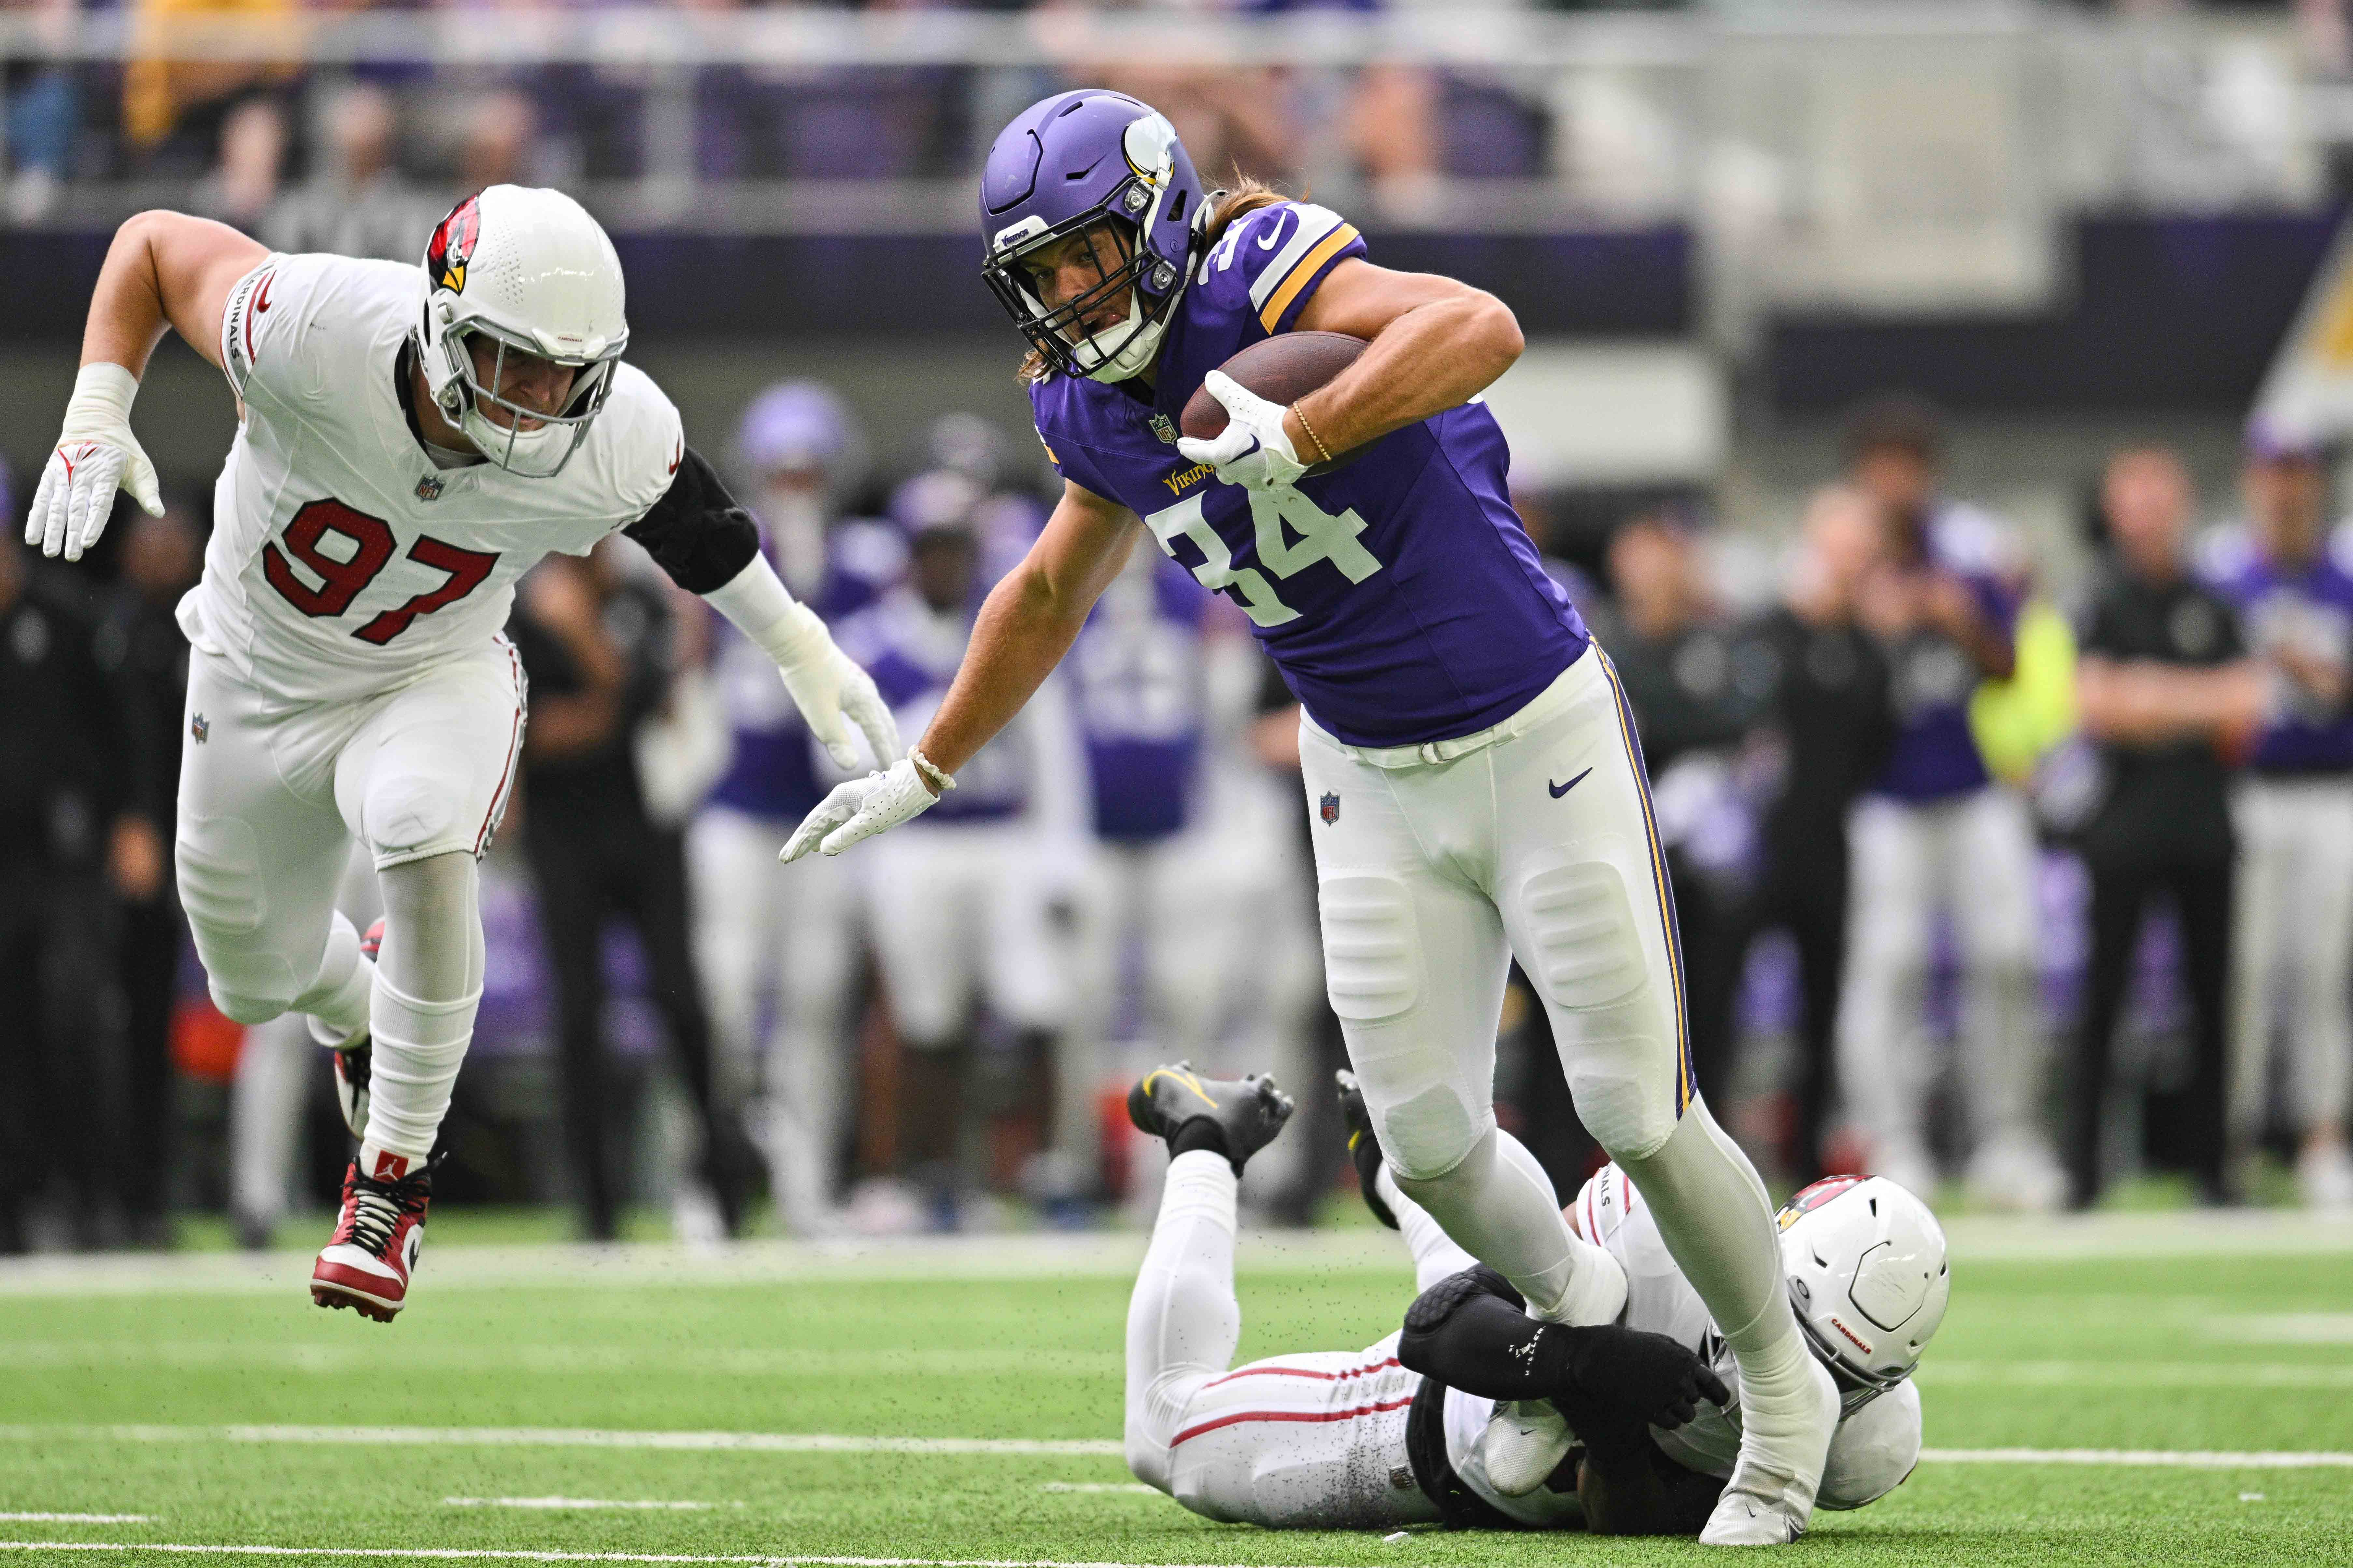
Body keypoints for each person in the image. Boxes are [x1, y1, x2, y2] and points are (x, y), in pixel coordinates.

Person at [786, 89, 1841, 1542]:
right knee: (1425, 1143)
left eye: (1091, 256)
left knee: (1629, 1109)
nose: (1072, 295)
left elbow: (1480, 326)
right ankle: (1586, 1326)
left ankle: (1788, 1399)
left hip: (1536, 725)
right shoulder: (1083, 402)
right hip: (1361, 768)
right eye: (1042, 275)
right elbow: (1043, 592)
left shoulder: (1261, 260)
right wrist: (928, 764)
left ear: (1155, 216)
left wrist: (1312, 421)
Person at [23, 185, 899, 1318]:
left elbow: (703, 533)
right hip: (250, 675)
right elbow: (149, 243)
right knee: (250, 979)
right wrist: (100, 406)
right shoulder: (322, 323)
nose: (538, 399)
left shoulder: (612, 427)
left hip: (430, 674)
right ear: (442, 320)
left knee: (420, 830)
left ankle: (389, 1183)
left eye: (563, 374)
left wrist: (803, 650)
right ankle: (359, 1009)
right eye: (510, 359)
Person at [1118, 1064, 1943, 1536]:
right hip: (1434, 1414)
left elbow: (1627, 1519)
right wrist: (1585, 1357)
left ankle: (1385, 1153)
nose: (1793, 1372)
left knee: (1548, 1276)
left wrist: (1605, 1414)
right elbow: (1434, 1331)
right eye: (1794, 1332)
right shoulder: (1668, 1246)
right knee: (1164, 1432)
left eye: (1835, 1374)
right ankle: (1207, 1139)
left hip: (1534, 1408)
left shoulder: (1860, 1446)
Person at [830, 472, 1084, 1229]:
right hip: (917, 847)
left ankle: (1049, 1169)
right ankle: (933, 1175)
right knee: (926, 1016)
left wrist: (1059, 854)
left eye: (955, 550)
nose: (943, 567)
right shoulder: (872, 643)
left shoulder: (1007, 621)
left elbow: (1053, 750)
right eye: (930, 551)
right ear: (908, 556)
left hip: (1003, 836)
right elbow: (836, 758)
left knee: (1035, 1000)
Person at [1837, 396, 2061, 1209]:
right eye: (1881, 465)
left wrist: (1959, 620)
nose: (1895, 482)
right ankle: (1890, 1139)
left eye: (1908, 465)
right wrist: (1869, 620)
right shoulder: (1842, 552)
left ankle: (2008, 1137)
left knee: (2007, 953)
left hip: (1970, 783)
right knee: (1887, 964)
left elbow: (2006, 666)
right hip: (1883, 793)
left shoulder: (1969, 548)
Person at [688, 381, 898, 1237]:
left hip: (826, 814)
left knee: (815, 1008)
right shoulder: (727, 552)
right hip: (736, 808)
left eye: (809, 473)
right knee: (727, 1004)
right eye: (784, 473)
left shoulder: (864, 568)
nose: (796, 488)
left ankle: (809, 1188)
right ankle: (709, 1184)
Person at [509, 544, 756, 1243]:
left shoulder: (640, 598)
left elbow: (645, 697)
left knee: (684, 1003)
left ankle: (725, 1185)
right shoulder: (516, 602)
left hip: (645, 825)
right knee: (578, 1014)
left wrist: (583, 643)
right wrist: (595, 713)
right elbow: (520, 725)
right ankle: (596, 1208)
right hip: (562, 838)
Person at [2070, 446, 2261, 1209]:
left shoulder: (2212, 601)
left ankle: (2214, 1168)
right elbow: (2096, 705)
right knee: (2101, 1000)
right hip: (2121, 827)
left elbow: (2247, 704)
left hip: (2204, 825)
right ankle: (2082, 1168)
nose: (2147, 510)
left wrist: (2152, 694)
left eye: (2159, 493)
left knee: (2212, 1000)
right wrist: (2192, 701)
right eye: (2133, 494)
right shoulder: (2099, 600)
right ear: (2113, 508)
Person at [1712, 488, 1896, 1184]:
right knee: (1717, 1003)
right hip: (1755, 850)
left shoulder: (1869, 654)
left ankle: (1809, 1160)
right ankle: (1719, 1159)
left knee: (1822, 1011)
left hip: (1828, 847)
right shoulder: (1764, 635)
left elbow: (1876, 749)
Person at [2201, 424, 2353, 1209]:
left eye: (2300, 473)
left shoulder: (2345, 574)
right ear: (2253, 480)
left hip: (2331, 789)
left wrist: (2322, 677)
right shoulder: (2224, 574)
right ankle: (2233, 1139)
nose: (2288, 490)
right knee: (2245, 971)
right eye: (2274, 473)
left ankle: (2320, 1134)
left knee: (2321, 974)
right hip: (2249, 790)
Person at [0, 529, 145, 1252]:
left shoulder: (65, 620)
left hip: (68, 859)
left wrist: (134, 819)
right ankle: (16, 1205)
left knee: (79, 1020)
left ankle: (101, 1195)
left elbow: (125, 731)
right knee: (11, 1034)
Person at [99, 502, 208, 1247]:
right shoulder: (100, 633)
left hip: (186, 856)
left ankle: (146, 1198)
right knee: (90, 1031)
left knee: (152, 1036)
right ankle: (93, 1192)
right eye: (153, 539)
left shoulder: (211, 632)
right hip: (97, 861)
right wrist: (122, 820)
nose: (166, 553)